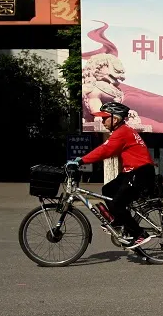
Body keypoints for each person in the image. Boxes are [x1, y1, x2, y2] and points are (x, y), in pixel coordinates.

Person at [67, 101, 156, 249]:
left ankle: (140, 234)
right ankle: (119, 221)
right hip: (132, 171)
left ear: (115, 119)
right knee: (107, 190)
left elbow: (105, 150)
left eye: (104, 118)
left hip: (140, 173)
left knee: (117, 204)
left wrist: (81, 160)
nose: (102, 121)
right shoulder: (122, 131)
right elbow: (108, 150)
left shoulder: (122, 132)